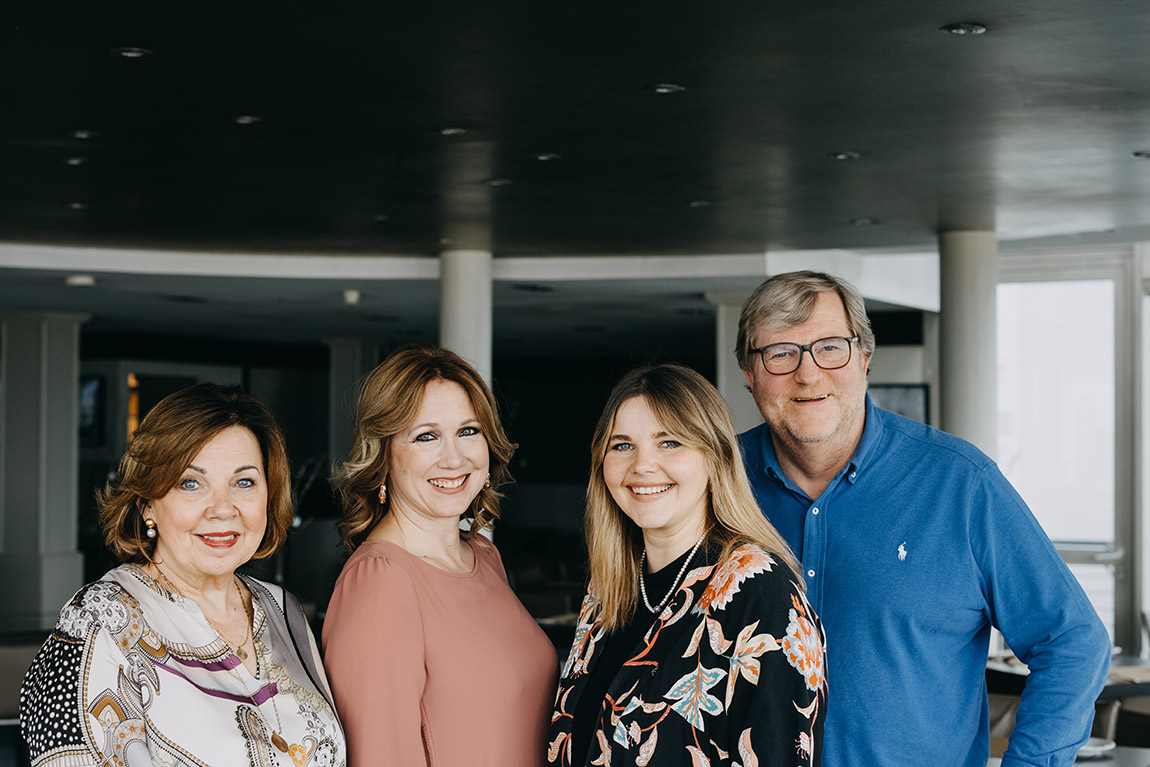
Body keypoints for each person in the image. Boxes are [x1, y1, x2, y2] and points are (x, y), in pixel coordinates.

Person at [735, 270, 1111, 767]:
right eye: (781, 352)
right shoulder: (712, 484)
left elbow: (1070, 639)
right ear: (748, 371)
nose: (808, 374)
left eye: (831, 347)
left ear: (864, 358)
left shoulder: (961, 484)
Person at [19, 384, 345, 767]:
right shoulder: (96, 621)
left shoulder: (281, 609)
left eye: (244, 482)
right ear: (146, 503)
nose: (223, 509)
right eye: (190, 483)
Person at [548, 363, 826, 767]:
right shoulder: (608, 591)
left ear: (714, 457)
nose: (642, 465)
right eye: (621, 445)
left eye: (669, 443)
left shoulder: (760, 594)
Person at [323, 344, 557, 767]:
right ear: (384, 454)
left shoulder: (484, 557)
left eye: (468, 431)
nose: (454, 458)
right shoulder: (381, 581)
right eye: (425, 436)